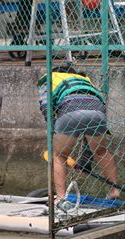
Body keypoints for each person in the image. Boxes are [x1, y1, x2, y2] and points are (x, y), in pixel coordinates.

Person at [38, 64, 120, 201]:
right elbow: (97, 108)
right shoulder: (84, 79)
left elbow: (45, 106)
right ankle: (115, 190)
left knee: (59, 155)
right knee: (101, 151)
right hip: (97, 112)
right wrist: (85, 161)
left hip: (69, 110)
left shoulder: (49, 79)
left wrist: (54, 129)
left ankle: (61, 197)